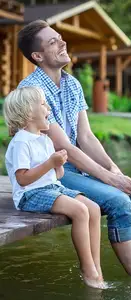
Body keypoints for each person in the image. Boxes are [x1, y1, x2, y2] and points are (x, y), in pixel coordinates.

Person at [17, 20, 131, 277]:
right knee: (119, 201)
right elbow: (64, 147)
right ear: (37, 56)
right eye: (53, 42)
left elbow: (86, 136)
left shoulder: (73, 84)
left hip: (80, 165)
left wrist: (114, 169)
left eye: (60, 38)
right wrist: (109, 179)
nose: (62, 43)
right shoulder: (31, 92)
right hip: (53, 169)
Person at [3, 86, 105, 289]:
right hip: (30, 194)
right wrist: (50, 163)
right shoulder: (21, 142)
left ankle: (96, 266)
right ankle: (87, 269)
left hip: (51, 188)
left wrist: (57, 166)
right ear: (28, 112)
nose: (48, 108)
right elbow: (23, 179)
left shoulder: (45, 140)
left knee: (93, 208)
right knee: (80, 210)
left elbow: (56, 176)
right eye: (43, 104)